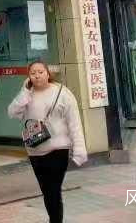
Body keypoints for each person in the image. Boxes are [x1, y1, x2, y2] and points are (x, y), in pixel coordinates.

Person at [8, 61, 87, 223]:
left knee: (53, 190)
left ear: (48, 73)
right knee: (47, 191)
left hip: (58, 149)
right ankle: (54, 219)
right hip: (35, 150)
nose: (37, 76)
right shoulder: (27, 94)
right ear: (29, 77)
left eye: (40, 72)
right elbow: (12, 113)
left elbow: (74, 123)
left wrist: (79, 149)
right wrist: (24, 92)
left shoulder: (62, 93)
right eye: (33, 73)